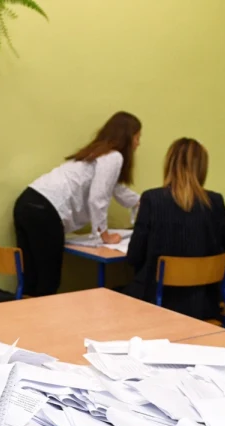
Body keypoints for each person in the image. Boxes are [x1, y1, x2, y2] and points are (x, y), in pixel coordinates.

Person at [13, 112, 141, 296]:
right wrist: (104, 235)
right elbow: (98, 197)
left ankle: (25, 322)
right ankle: (41, 324)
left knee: (30, 279)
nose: (138, 143)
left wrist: (139, 201)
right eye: (137, 137)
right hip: (46, 210)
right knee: (48, 282)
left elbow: (115, 189)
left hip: (27, 201)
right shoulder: (113, 157)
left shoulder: (96, 153)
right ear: (127, 138)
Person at [123, 138, 225, 320]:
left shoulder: (152, 199)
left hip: (157, 305)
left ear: (169, 164)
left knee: (114, 294)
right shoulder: (214, 201)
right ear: (202, 168)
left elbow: (133, 257)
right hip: (204, 306)